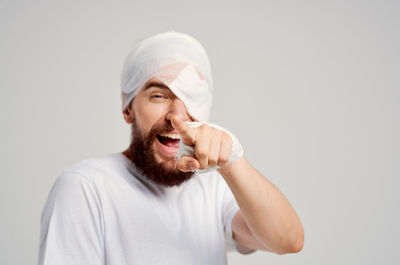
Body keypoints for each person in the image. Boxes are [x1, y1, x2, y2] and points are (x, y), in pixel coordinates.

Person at [38, 31, 304, 265]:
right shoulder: (86, 187)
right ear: (128, 108)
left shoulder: (213, 189)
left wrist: (232, 160)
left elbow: (288, 241)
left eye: (191, 97)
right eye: (159, 96)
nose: (177, 116)